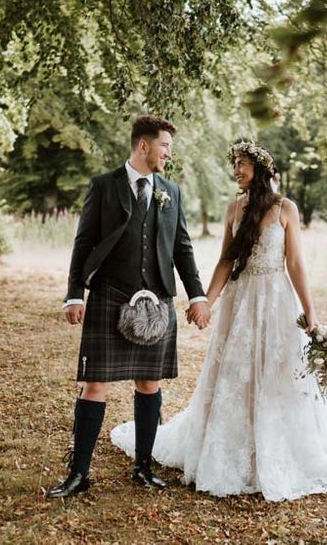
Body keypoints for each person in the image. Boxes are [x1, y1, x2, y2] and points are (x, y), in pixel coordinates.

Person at [111, 140, 327, 501]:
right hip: (241, 303)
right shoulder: (233, 209)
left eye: (241, 164)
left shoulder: (286, 209)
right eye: (235, 164)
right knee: (235, 372)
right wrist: (205, 302)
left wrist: (311, 315)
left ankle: (275, 445)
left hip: (276, 301)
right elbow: (226, 261)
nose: (236, 170)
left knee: (276, 371)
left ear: (259, 168)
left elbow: (296, 264)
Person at [46, 115, 210, 498]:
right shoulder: (104, 186)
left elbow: (181, 248)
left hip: (156, 301)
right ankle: (79, 473)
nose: (169, 153)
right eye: (165, 146)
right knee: (95, 384)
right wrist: (75, 294)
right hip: (109, 295)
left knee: (149, 384)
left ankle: (143, 466)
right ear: (143, 146)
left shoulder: (171, 191)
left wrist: (197, 295)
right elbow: (83, 242)